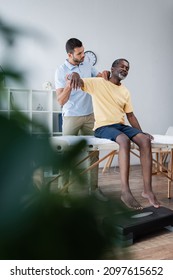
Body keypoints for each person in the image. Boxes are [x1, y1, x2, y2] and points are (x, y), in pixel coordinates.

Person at [67, 58, 160, 209]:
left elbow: (130, 116)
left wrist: (140, 132)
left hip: (120, 125)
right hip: (103, 127)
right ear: (112, 68)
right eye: (122, 66)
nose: (125, 69)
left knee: (144, 140)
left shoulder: (125, 91)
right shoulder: (98, 83)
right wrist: (74, 75)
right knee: (123, 140)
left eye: (127, 68)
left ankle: (147, 190)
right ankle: (125, 191)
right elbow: (73, 78)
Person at [54, 38, 109, 201]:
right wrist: (70, 85)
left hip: (90, 115)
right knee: (66, 154)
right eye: (80, 53)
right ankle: (63, 193)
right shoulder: (60, 70)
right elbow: (60, 101)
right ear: (70, 55)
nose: (83, 55)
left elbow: (99, 77)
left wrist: (104, 75)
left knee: (94, 152)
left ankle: (94, 189)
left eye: (83, 51)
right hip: (71, 116)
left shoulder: (87, 65)